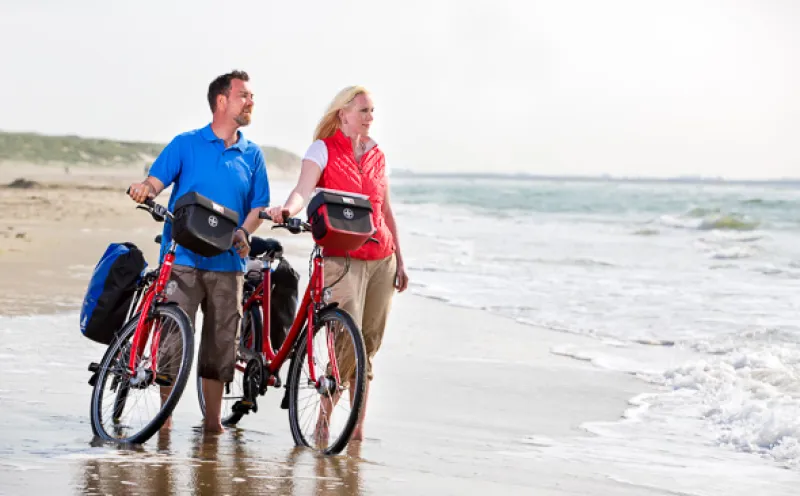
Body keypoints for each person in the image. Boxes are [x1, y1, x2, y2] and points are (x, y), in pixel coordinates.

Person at [127, 70, 270, 433]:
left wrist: (244, 231)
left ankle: (212, 425)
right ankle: (164, 421)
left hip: (229, 263)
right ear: (222, 101)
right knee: (172, 340)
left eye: (251, 96)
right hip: (183, 259)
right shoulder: (185, 144)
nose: (251, 102)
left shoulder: (253, 155)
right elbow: (156, 181)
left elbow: (258, 207)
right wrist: (145, 189)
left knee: (221, 346)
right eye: (244, 95)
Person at [266, 85, 408, 441]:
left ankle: (357, 430)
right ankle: (324, 421)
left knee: (368, 344)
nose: (370, 117)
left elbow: (385, 211)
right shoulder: (323, 149)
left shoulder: (378, 155)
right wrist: (288, 210)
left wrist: (401, 261)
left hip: (382, 258)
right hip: (342, 257)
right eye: (363, 110)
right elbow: (303, 190)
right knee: (347, 338)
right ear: (343, 113)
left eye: (372, 111)